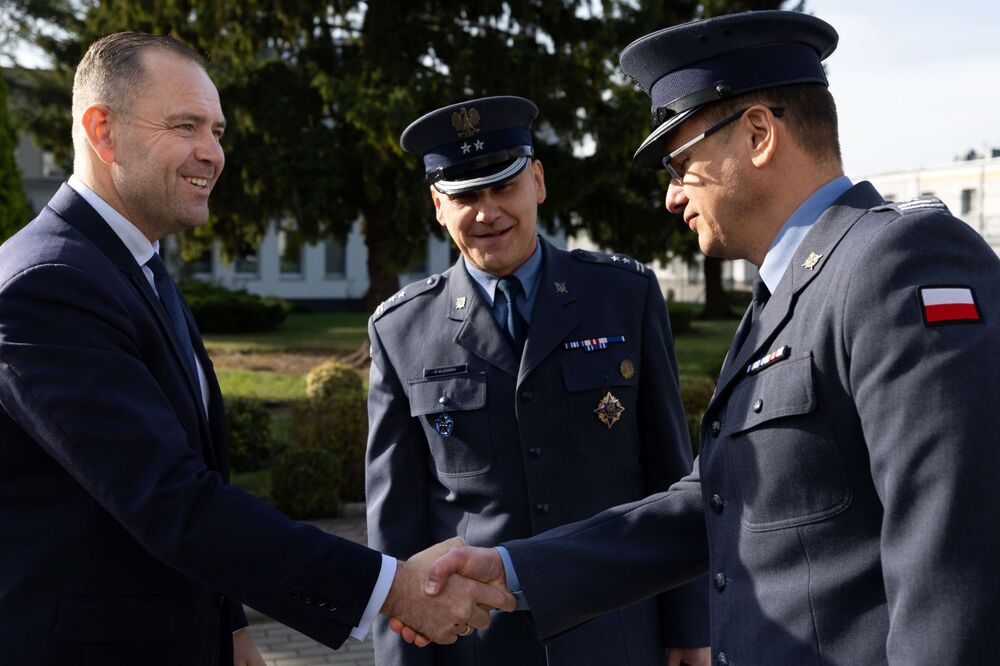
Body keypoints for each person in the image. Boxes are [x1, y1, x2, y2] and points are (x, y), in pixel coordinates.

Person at [415, 10, 1000, 665]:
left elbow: (957, 558)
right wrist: (515, 570)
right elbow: (720, 501)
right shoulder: (792, 293)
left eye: (681, 163)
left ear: (756, 134)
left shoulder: (897, 262)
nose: (670, 196)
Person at [0, 32, 512, 666]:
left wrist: (230, 629)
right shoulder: (48, 285)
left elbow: (188, 481)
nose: (212, 154)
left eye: (217, 132)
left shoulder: (133, 267)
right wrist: (392, 588)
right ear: (102, 131)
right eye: (186, 126)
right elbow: (170, 499)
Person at [366, 95, 709, 665]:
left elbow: (670, 475)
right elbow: (396, 531)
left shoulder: (623, 296)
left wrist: (690, 626)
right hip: (477, 644)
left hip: (615, 633)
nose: (487, 211)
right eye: (466, 196)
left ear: (539, 182)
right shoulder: (401, 330)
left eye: (504, 187)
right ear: (437, 206)